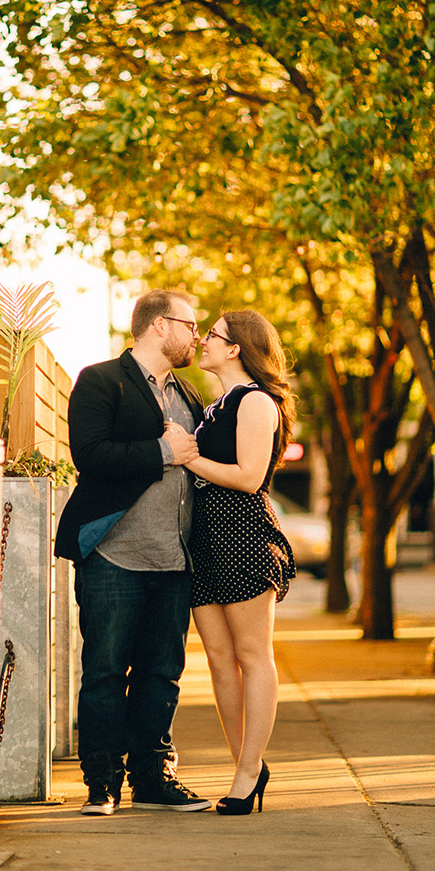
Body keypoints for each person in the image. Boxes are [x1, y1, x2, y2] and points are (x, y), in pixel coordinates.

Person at [53, 287, 213, 815]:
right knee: (103, 670)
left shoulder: (189, 396)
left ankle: (153, 778)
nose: (197, 335)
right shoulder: (100, 380)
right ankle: (101, 784)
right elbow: (91, 454)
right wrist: (163, 452)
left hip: (174, 561)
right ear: (159, 326)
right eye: (190, 325)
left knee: (162, 672)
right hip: (115, 556)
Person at [180, 309, 298, 814]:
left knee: (252, 656)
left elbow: (250, 477)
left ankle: (248, 773)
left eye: (211, 334)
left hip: (243, 534)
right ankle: (246, 767)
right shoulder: (216, 404)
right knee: (218, 662)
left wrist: (187, 457)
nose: (202, 340)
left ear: (235, 349)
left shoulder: (255, 402)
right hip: (204, 538)